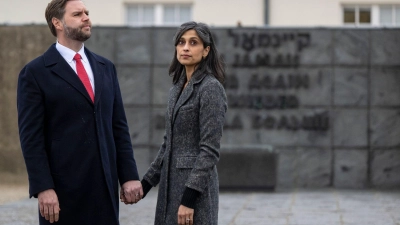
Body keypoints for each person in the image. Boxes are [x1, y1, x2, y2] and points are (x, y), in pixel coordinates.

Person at [17, 0, 143, 224]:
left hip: (104, 191)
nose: (86, 17)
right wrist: (43, 187)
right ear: (57, 22)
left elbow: (118, 127)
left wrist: (129, 176)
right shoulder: (35, 73)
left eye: (86, 12)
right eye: (77, 14)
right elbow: (31, 138)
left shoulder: (106, 68)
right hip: (62, 195)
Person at [141, 21, 227, 225]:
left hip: (194, 194)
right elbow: (168, 144)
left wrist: (189, 199)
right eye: (181, 42)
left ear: (206, 51)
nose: (185, 47)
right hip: (169, 190)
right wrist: (145, 185)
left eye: (193, 42)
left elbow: (210, 150)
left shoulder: (211, 88)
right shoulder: (176, 90)